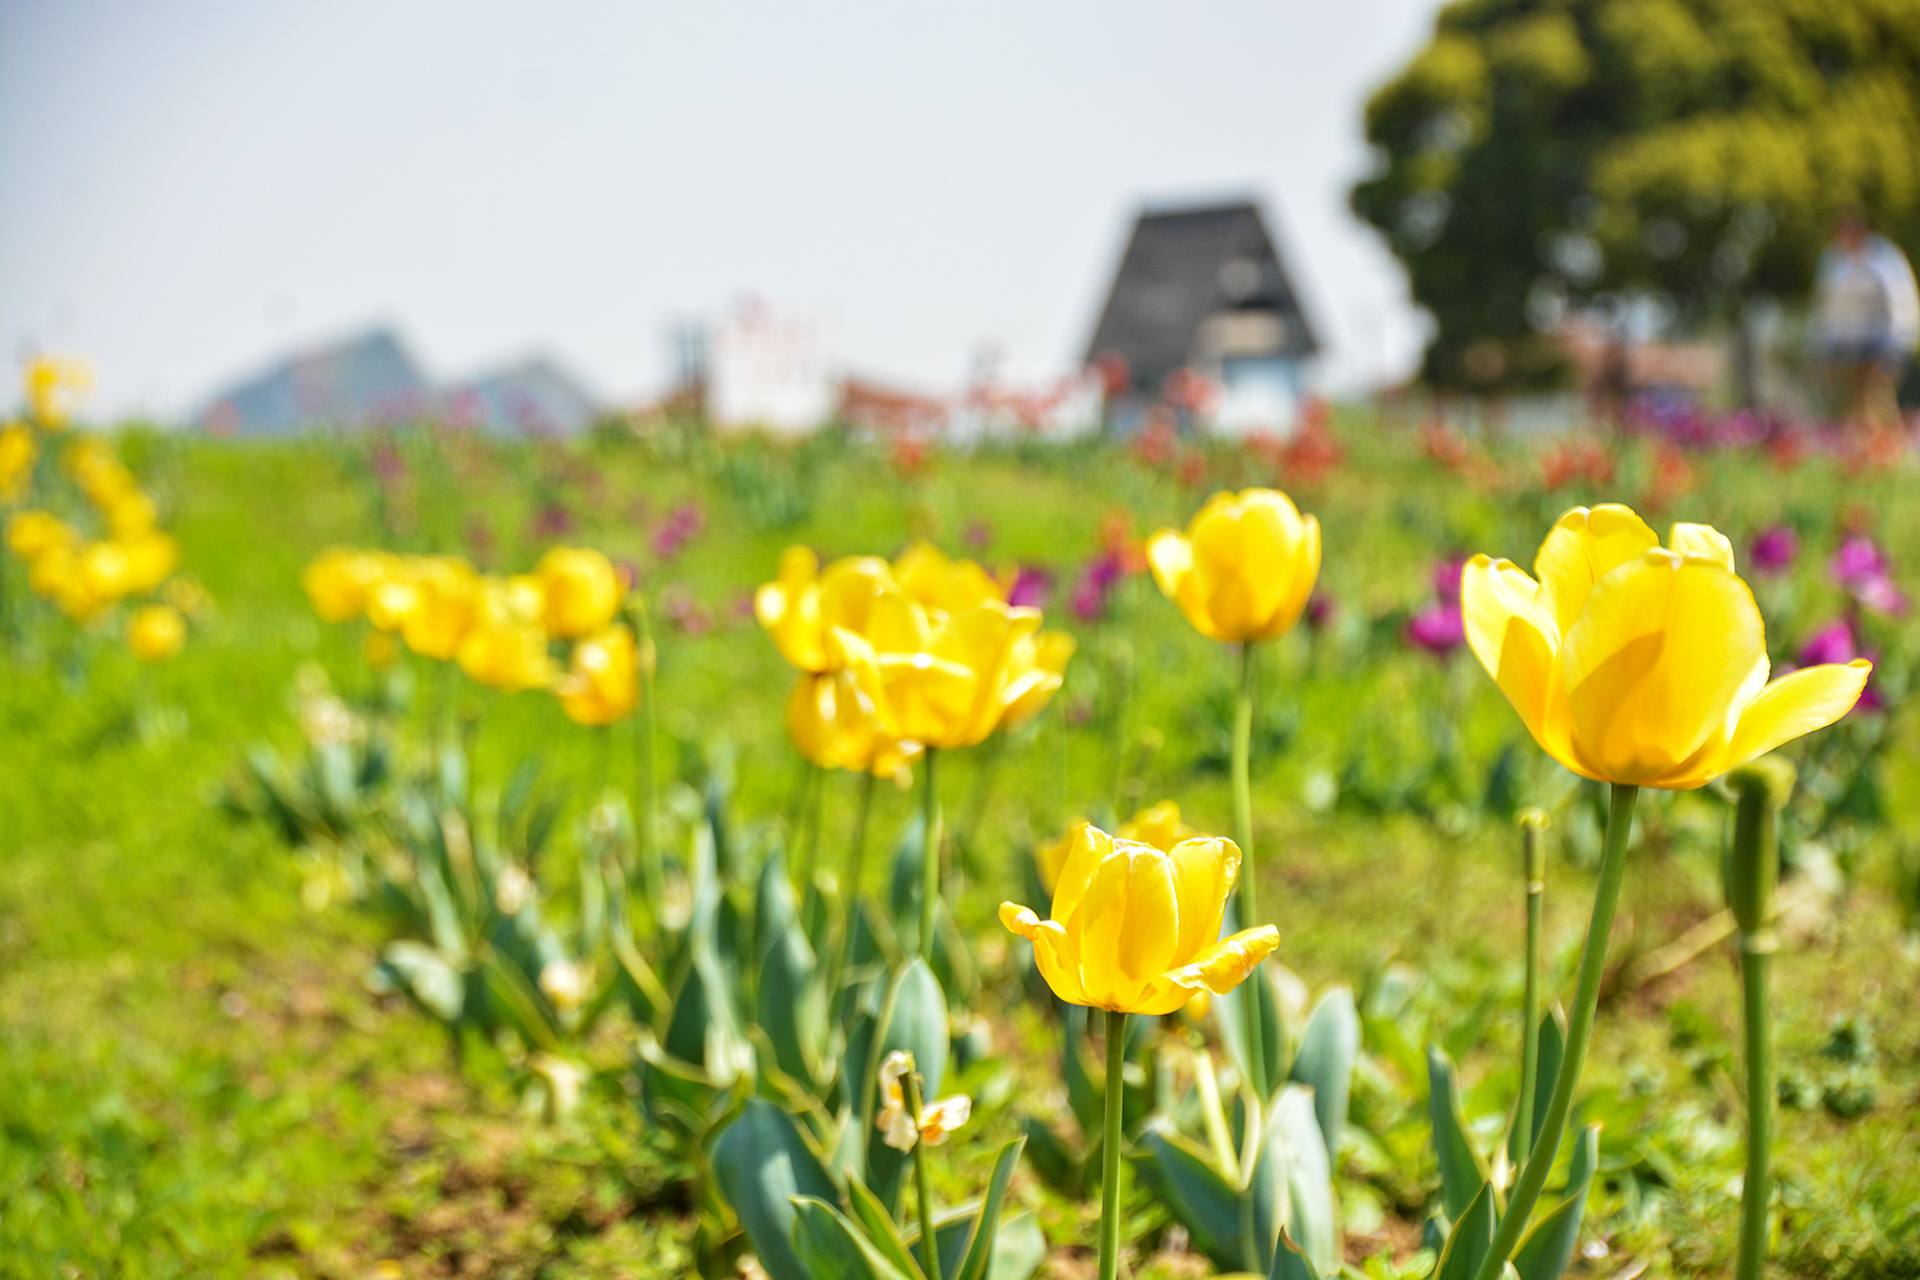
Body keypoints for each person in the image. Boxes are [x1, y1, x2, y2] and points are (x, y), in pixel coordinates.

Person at [1814, 213, 1920, 429]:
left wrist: (1896, 348)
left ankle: (1889, 449)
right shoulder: (1833, 261)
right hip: (1850, 345)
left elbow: (1901, 303)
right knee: (1852, 403)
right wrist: (1828, 348)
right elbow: (1829, 309)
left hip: (1883, 343)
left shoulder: (1885, 259)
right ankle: (1862, 452)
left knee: (1877, 398)